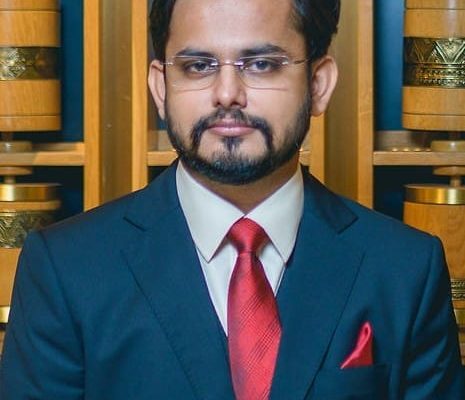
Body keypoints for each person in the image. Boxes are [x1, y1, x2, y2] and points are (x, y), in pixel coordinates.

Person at [0, 0, 464, 398]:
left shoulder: (406, 270)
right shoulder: (65, 269)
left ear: (318, 84)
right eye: (198, 66)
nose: (227, 94)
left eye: (261, 64)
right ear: (161, 88)